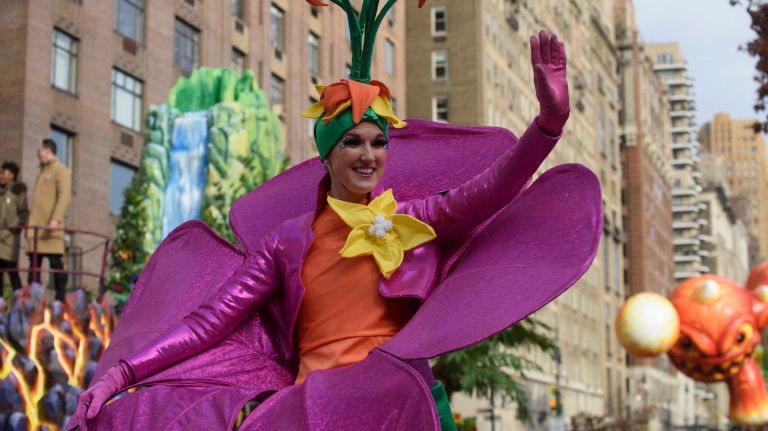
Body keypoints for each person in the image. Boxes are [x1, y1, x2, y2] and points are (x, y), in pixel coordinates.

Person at [70, 4, 595, 430]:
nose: (368, 155)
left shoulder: (413, 219)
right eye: (352, 142)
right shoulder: (285, 242)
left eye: (378, 142)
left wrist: (547, 125)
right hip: (314, 415)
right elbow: (208, 322)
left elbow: (493, 188)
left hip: (400, 408)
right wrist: (120, 375)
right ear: (326, 154)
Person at [27, 138, 71, 301]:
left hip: (50, 228)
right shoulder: (41, 172)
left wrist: (56, 218)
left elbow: (64, 195)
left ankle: (60, 299)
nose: (38, 154)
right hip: (37, 229)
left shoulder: (61, 170)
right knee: (34, 267)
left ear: (48, 151)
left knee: (56, 263)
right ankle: (34, 301)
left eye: (40, 151)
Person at [0, 161, 28, 294]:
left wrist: (14, 224)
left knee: (12, 272)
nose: (1, 175)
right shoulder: (1, 192)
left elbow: (24, 213)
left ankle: (20, 302)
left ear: (11, 175)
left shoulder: (18, 191)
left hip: (10, 240)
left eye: (3, 173)